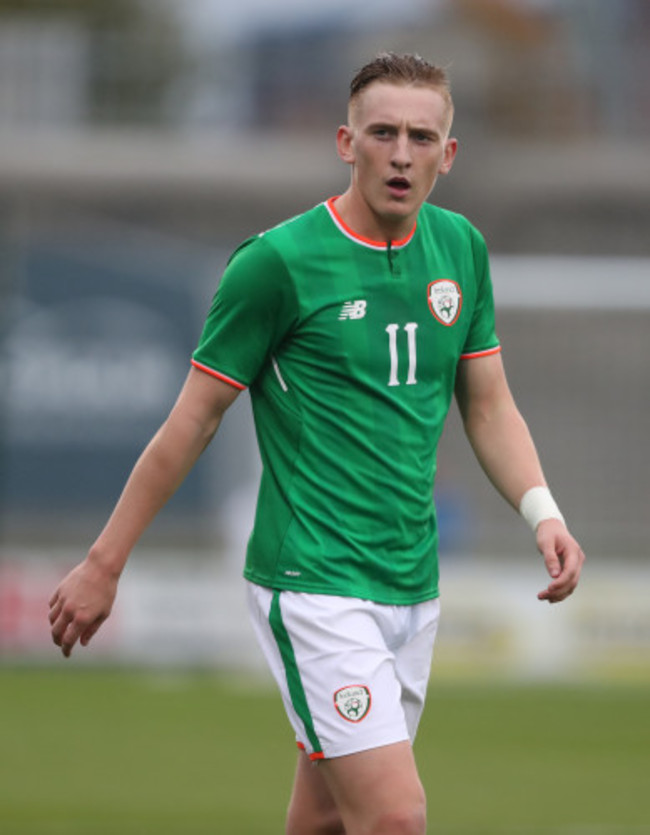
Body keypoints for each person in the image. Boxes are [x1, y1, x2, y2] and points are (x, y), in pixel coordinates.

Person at [49, 53, 585, 835]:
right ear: (346, 142)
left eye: (421, 137)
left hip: (411, 582)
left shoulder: (461, 250)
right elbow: (192, 421)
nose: (402, 154)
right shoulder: (278, 264)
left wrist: (544, 512)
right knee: (395, 817)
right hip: (313, 582)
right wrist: (104, 563)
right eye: (383, 133)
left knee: (327, 818)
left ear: (449, 152)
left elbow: (490, 405)